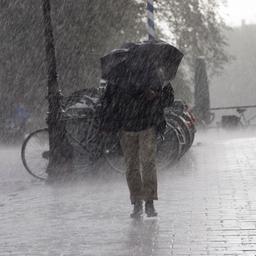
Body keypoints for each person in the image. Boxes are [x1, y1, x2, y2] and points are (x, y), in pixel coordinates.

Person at [100, 63, 174, 218]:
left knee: (140, 164)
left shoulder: (124, 74)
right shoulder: (149, 73)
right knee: (137, 165)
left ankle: (145, 202)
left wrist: (155, 95)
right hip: (131, 127)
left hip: (142, 126)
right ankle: (141, 202)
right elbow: (109, 102)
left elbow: (168, 98)